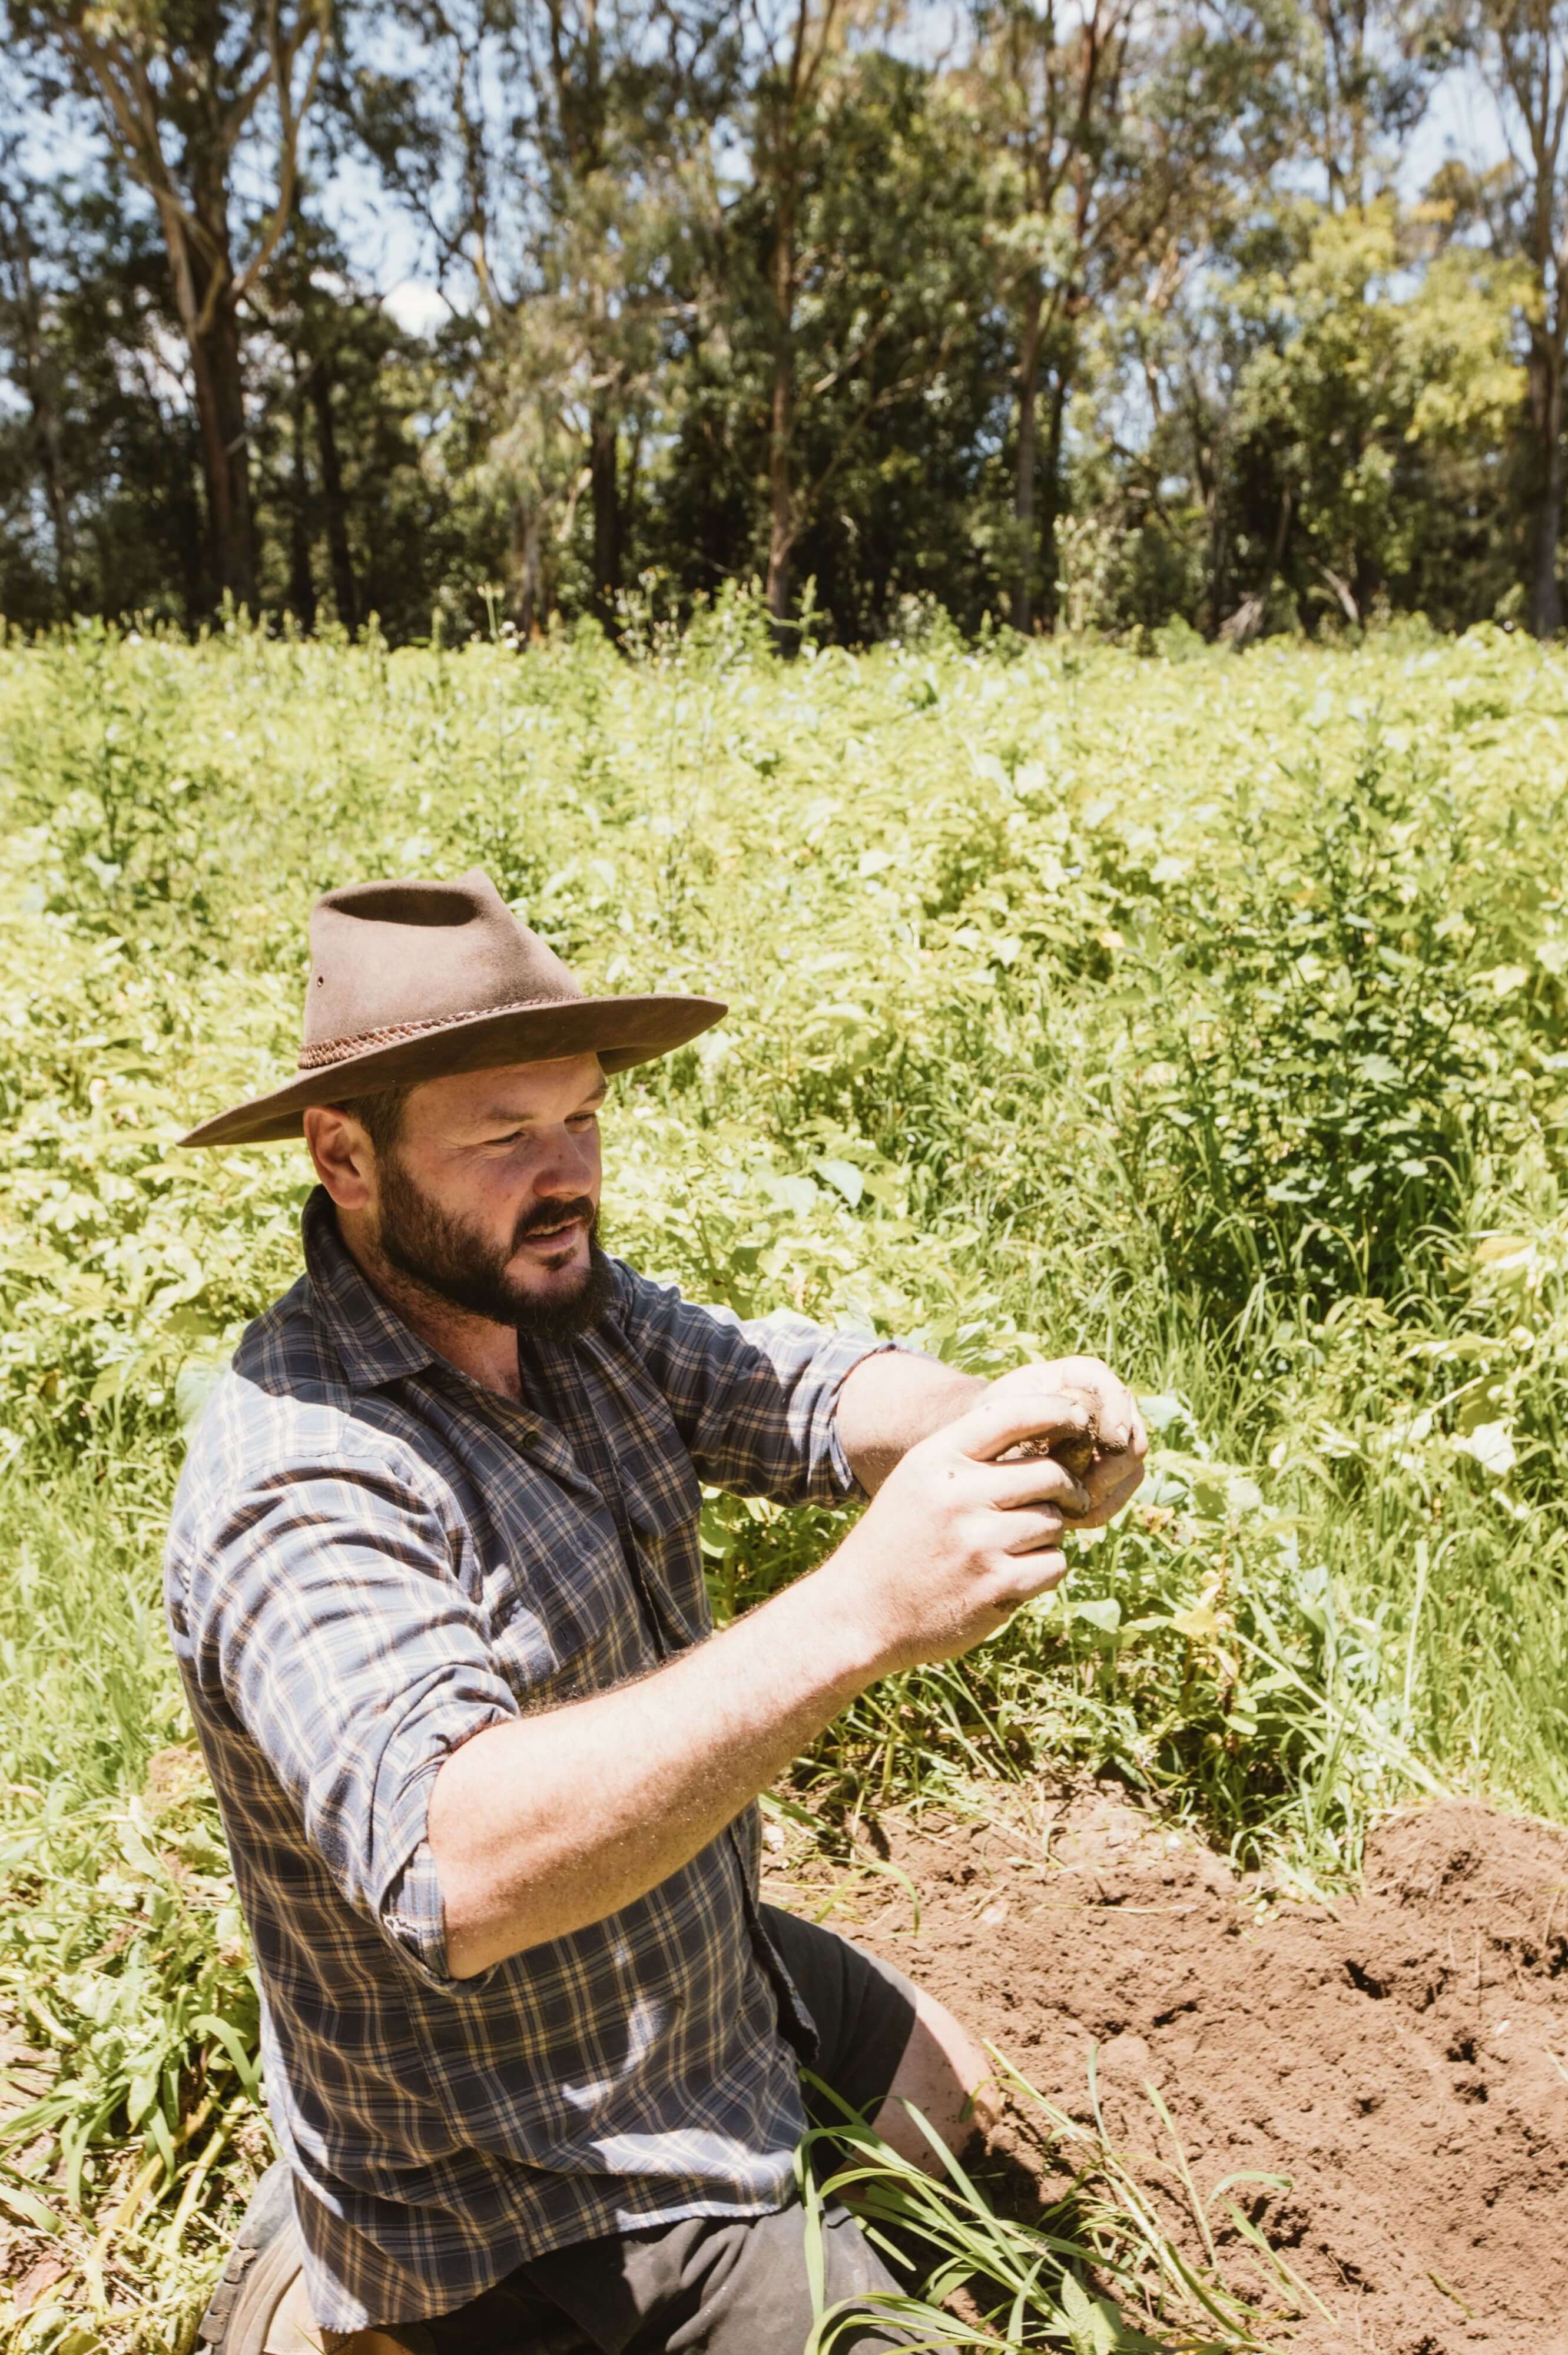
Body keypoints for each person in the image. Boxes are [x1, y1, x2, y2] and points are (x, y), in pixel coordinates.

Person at [168, 870, 1146, 2355]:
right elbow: (456, 1868)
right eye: (503, 1135)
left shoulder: (559, 1311)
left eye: (580, 1116)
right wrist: (861, 1613)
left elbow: (793, 1390)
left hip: (678, 1978)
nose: (565, 1172)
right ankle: (364, 2309)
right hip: (521, 2173)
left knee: (941, 2080)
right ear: (343, 1156)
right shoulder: (301, 1475)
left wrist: (995, 1418)